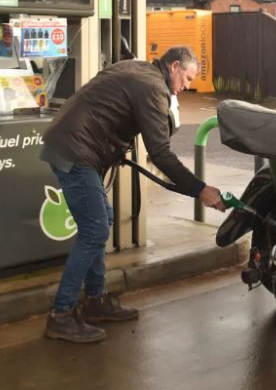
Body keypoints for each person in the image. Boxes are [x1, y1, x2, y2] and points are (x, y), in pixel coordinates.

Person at [40, 46, 226, 343]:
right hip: (75, 151)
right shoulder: (154, 88)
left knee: (102, 222)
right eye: (187, 78)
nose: (186, 87)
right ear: (174, 66)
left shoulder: (138, 69)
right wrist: (200, 189)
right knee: (95, 230)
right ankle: (60, 316)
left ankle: (95, 301)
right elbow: (161, 153)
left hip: (74, 145)